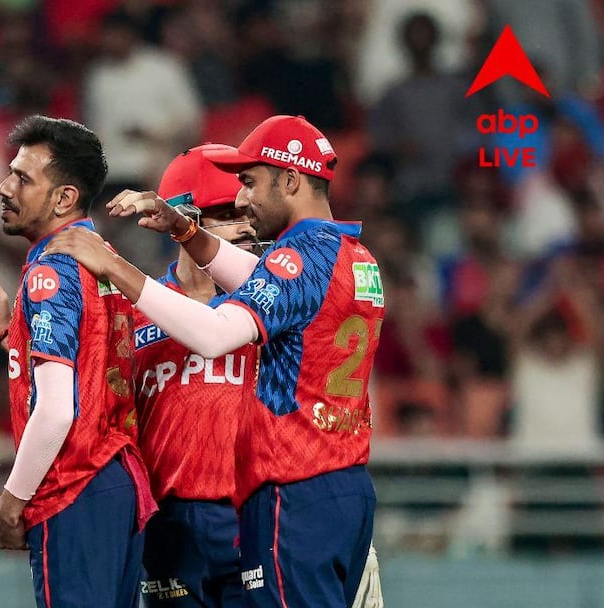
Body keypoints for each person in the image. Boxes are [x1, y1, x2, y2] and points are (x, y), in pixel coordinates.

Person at [45, 115, 383, 608]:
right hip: (342, 484)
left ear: (290, 180)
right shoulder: (353, 254)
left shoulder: (296, 258)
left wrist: (114, 265)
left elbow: (214, 334)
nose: (243, 202)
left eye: (250, 183)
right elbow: (260, 276)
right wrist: (184, 229)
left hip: (294, 486)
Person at [0, 115, 155, 607]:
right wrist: (11, 333)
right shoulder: (101, 258)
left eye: (23, 179)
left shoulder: (52, 269)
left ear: (64, 198)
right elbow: (90, 370)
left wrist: (13, 497)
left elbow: (57, 410)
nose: (4, 188)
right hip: (117, 481)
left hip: (75, 482)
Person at [134, 144, 256, 608]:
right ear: (180, 219)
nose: (245, 225)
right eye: (225, 213)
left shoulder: (274, 301)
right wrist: (9, 335)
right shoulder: (137, 308)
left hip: (253, 515)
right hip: (169, 528)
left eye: (245, 210)